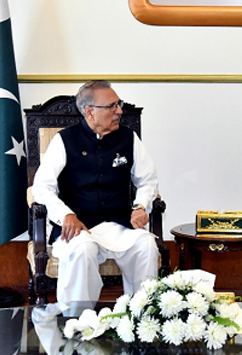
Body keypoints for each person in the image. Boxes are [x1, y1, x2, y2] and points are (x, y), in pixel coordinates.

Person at [32, 80, 159, 310]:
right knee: (83, 249)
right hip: (79, 228)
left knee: (146, 245)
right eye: (112, 106)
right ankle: (77, 322)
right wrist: (65, 215)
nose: (119, 111)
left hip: (120, 225)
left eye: (118, 104)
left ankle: (141, 318)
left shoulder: (129, 139)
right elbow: (41, 187)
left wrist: (140, 206)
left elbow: (147, 179)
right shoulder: (64, 140)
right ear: (90, 111)